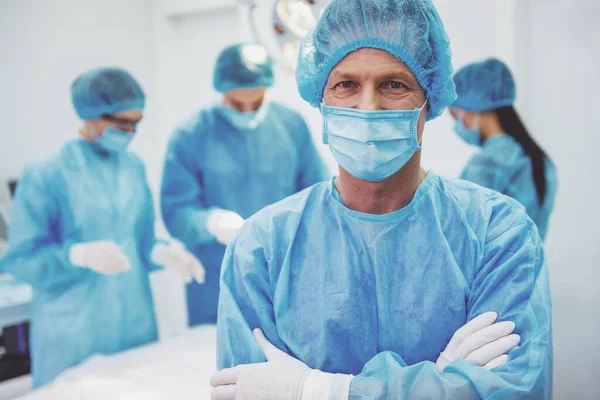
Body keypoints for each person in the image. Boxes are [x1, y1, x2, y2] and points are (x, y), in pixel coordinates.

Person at [210, 0, 553, 399]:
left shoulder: (497, 233)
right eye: (346, 84)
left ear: (430, 99)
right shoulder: (262, 248)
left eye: (394, 84)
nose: (368, 106)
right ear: (321, 100)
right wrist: (440, 387)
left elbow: (516, 391)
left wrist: (318, 390)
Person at [0, 67, 204, 388]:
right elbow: (21, 259)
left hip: (134, 330)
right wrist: (76, 256)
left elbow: (141, 239)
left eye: (136, 123)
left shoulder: (133, 167)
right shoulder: (46, 173)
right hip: (73, 337)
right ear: (89, 115)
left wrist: (163, 253)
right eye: (121, 123)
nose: (130, 132)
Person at [160, 43, 329, 326]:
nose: (248, 111)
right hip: (217, 278)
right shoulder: (191, 135)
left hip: (283, 272)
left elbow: (318, 196)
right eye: (238, 104)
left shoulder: (290, 126)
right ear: (222, 90)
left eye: (257, 101)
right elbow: (176, 211)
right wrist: (210, 222)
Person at [449, 58, 557, 240]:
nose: (458, 125)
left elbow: (466, 235)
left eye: (456, 117)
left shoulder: (488, 163)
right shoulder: (540, 160)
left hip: (493, 268)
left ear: (476, 108)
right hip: (531, 267)